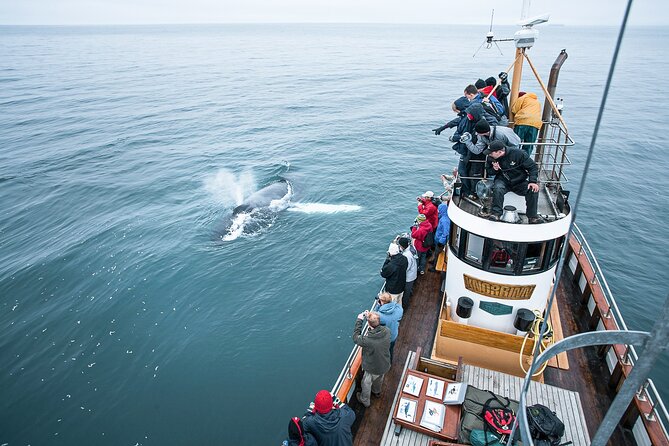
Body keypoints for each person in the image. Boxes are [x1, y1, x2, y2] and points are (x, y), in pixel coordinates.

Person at [484, 140, 543, 224]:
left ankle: (532, 217)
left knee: (533, 190)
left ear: (500, 152)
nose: (489, 154)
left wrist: (532, 181)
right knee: (498, 188)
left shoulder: (519, 154)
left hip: (519, 181)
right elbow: (489, 171)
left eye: (491, 153)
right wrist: (494, 169)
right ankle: (496, 213)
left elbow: (532, 167)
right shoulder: (491, 158)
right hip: (503, 180)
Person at [353, 311, 391, 408]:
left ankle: (365, 401)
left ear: (369, 324)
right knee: (379, 379)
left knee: (366, 384)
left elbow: (355, 337)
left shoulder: (368, 340)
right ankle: (377, 392)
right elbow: (375, 325)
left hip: (372, 367)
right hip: (384, 364)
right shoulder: (387, 331)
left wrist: (359, 320)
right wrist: (369, 317)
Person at [511, 92, 542, 156]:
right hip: (535, 124)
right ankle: (525, 160)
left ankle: (514, 158)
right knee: (529, 144)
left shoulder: (522, 98)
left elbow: (514, 110)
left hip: (523, 121)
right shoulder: (537, 102)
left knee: (516, 141)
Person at [377, 291, 403, 361]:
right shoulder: (399, 310)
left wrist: (378, 306)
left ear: (382, 302)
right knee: (391, 350)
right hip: (394, 334)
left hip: (385, 338)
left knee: (384, 351)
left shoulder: (380, 316)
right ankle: (390, 362)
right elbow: (396, 305)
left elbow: (373, 317)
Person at [397, 237, 417, 308]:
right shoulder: (412, 248)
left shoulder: (406, 256)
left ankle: (405, 305)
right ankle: (410, 292)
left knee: (406, 291)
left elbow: (406, 268)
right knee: (409, 288)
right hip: (413, 273)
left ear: (402, 246)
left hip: (409, 277)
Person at [433, 195, 451, 270]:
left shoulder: (444, 220)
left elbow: (446, 233)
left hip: (440, 240)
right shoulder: (444, 217)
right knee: (436, 252)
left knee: (437, 253)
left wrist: (441, 241)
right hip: (438, 238)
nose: (438, 211)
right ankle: (434, 261)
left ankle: (434, 267)